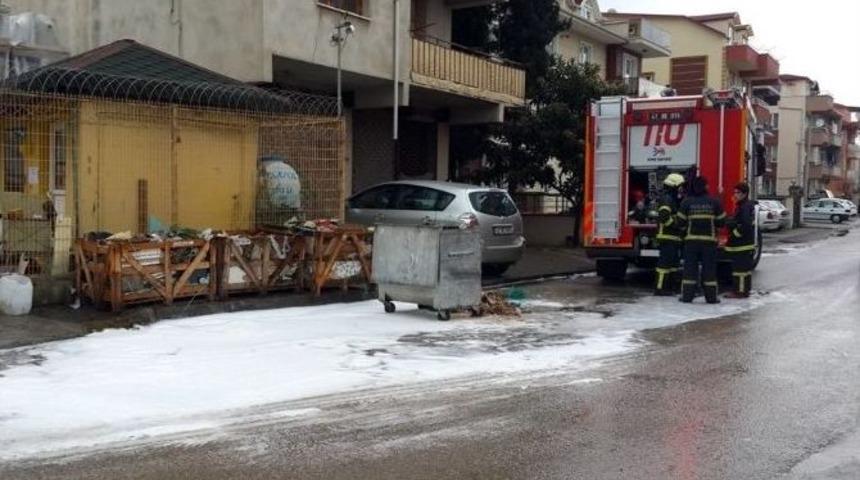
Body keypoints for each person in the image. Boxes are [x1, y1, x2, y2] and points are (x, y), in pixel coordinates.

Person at [677, 176, 726, 304]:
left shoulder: (686, 202)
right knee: (709, 270)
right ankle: (711, 298)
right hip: (709, 243)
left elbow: (680, 222)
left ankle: (687, 297)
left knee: (689, 270)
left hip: (691, 243)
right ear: (706, 187)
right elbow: (721, 222)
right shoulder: (714, 202)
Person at [654, 173, 685, 296]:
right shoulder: (667, 199)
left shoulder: (672, 198)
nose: (681, 189)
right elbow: (664, 217)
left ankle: (670, 287)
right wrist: (676, 225)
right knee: (664, 265)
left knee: (672, 265)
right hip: (667, 236)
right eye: (680, 186)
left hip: (672, 237)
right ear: (674, 186)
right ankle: (660, 288)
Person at [724, 182, 756, 298]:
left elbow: (746, 225)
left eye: (738, 193)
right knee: (744, 270)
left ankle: (740, 292)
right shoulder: (744, 205)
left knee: (740, 270)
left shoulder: (745, 207)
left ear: (745, 194)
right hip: (745, 244)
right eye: (735, 192)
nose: (735, 195)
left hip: (742, 244)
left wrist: (734, 234)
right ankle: (744, 290)